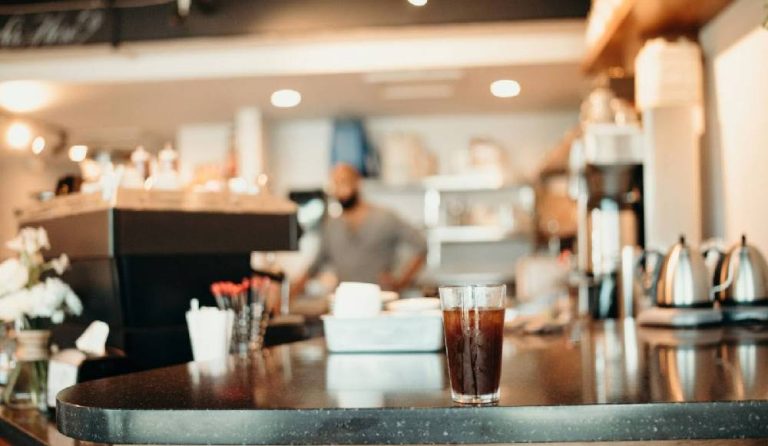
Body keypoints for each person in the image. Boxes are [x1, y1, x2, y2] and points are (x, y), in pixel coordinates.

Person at [292, 163, 427, 295]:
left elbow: (421, 246)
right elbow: (313, 268)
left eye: (344, 182)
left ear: (358, 183)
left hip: (381, 301)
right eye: (335, 184)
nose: (340, 189)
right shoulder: (331, 225)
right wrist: (287, 296)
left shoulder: (385, 217)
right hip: (347, 302)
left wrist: (400, 282)